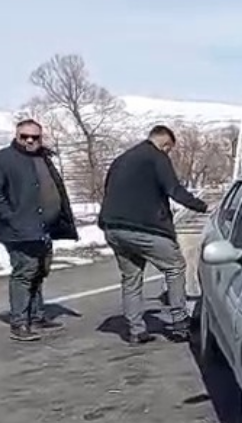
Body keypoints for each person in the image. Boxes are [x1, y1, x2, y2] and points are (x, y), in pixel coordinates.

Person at [98, 125, 209, 345]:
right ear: (165, 144)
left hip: (114, 228)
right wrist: (204, 207)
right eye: (169, 149)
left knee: (131, 279)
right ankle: (180, 324)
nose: (167, 153)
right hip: (145, 228)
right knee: (175, 267)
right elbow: (174, 189)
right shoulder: (156, 157)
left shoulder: (122, 159)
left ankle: (136, 330)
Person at [0, 119, 79, 341]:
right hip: (17, 229)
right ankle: (19, 322)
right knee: (25, 271)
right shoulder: (5, 159)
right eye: (24, 136)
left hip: (42, 227)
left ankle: (36, 315)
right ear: (16, 136)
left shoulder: (42, 157)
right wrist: (12, 218)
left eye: (35, 137)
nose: (29, 141)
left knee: (39, 270)